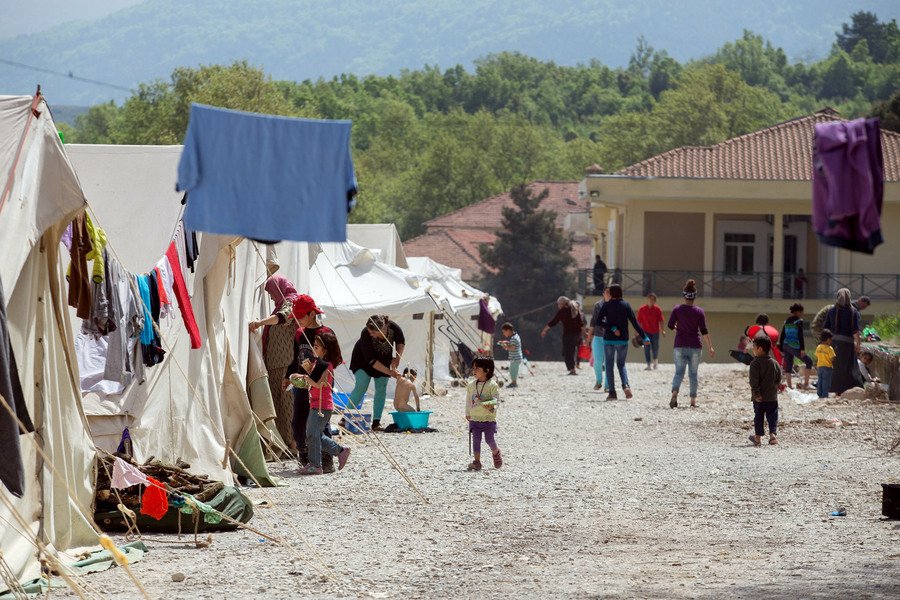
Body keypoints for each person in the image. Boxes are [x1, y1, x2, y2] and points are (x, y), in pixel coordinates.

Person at [283, 295, 337, 471]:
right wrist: (288, 375)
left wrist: (317, 376)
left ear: (312, 313)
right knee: (298, 420)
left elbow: (334, 360)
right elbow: (295, 358)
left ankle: (326, 458)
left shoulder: (326, 333)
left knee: (321, 421)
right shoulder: (300, 333)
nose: (298, 320)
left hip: (319, 385)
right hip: (301, 383)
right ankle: (305, 456)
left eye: (301, 316)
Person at [250, 275, 298, 452]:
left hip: (286, 363)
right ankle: (286, 443)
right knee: (278, 406)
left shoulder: (291, 301)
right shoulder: (281, 303)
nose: (271, 297)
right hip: (275, 364)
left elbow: (283, 317)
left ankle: (294, 443)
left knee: (288, 405)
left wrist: (259, 323)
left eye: (271, 293)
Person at [292, 332, 351, 475]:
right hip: (318, 404)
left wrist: (304, 376)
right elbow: (314, 381)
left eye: (317, 346)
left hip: (322, 406)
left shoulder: (325, 365)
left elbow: (318, 384)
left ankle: (315, 465)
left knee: (311, 434)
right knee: (315, 435)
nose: (313, 348)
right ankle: (340, 451)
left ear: (325, 349)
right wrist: (304, 375)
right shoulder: (319, 363)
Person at [347, 314, 405, 430]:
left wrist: (397, 358)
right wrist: (389, 372)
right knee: (361, 386)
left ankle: (376, 423)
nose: (371, 334)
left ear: (382, 329)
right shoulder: (365, 333)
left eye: (373, 332)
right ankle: (346, 418)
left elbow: (400, 342)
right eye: (369, 331)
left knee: (381, 389)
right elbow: (371, 360)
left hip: (384, 359)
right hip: (363, 360)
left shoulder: (394, 328)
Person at [593, 284, 648, 400]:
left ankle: (612, 393)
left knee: (609, 365)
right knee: (621, 364)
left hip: (608, 340)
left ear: (611, 294)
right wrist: (644, 337)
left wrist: (612, 328)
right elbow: (635, 323)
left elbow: (598, 322)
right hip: (623, 340)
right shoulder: (626, 305)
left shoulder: (606, 306)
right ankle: (625, 385)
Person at [668, 279, 715, 408]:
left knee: (679, 372)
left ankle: (675, 393)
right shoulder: (699, 312)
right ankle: (693, 401)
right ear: (694, 297)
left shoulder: (677, 309)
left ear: (684, 296)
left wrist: (678, 329)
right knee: (693, 374)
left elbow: (670, 325)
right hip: (695, 346)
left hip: (680, 345)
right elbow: (704, 331)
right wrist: (710, 346)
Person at [823, 288, 863, 395]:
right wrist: (858, 344)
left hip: (833, 343)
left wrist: (825, 343)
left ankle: (835, 390)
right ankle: (846, 390)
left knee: (835, 366)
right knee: (848, 367)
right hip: (847, 344)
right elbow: (855, 330)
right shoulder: (853, 311)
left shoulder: (831, 310)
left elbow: (826, 328)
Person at [465, 357, 502, 471]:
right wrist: (467, 412)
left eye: (477, 368)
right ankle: (477, 462)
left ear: (486, 370)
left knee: (489, 440)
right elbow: (468, 400)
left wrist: (488, 403)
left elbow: (496, 401)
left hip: (488, 419)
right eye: (473, 368)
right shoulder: (471, 385)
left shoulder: (492, 385)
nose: (474, 370)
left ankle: (495, 452)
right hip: (475, 418)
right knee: (476, 440)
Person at [747, 337, 782, 447]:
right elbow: (778, 378)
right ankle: (773, 436)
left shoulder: (755, 363)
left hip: (760, 398)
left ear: (760, 349)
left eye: (754, 347)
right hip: (772, 396)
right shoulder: (774, 363)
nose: (753, 349)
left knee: (758, 417)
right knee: (772, 416)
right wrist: (774, 388)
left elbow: (754, 381)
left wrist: (756, 394)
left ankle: (758, 438)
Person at [541, 296, 586, 376]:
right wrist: (584, 333)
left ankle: (572, 369)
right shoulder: (575, 309)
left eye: (558, 304)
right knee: (572, 351)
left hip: (568, 335)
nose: (558, 306)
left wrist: (544, 330)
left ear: (562, 304)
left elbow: (553, 322)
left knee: (567, 352)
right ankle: (574, 367)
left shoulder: (562, 311)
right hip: (577, 334)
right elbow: (581, 322)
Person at [778, 303, 813, 390]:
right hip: (794, 346)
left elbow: (782, 335)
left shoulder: (786, 321)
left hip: (785, 345)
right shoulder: (799, 321)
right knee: (809, 361)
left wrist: (781, 348)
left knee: (789, 364)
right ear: (798, 312)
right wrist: (802, 349)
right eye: (801, 312)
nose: (802, 314)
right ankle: (806, 384)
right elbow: (800, 335)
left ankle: (789, 386)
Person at [589, 289, 610, 391]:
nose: (608, 294)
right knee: (597, 361)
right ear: (603, 294)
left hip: (610, 338)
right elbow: (593, 321)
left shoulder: (615, 305)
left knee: (607, 362)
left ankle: (607, 385)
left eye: (610, 293)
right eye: (606, 292)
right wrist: (589, 335)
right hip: (598, 336)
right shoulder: (598, 305)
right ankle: (598, 381)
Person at [637, 292, 665, 371]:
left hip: (655, 332)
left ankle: (655, 361)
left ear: (655, 301)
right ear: (647, 299)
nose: (651, 301)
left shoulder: (657, 309)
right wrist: (637, 331)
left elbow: (661, 320)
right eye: (650, 299)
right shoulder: (642, 309)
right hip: (645, 332)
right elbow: (639, 321)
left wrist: (662, 330)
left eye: (653, 300)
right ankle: (648, 364)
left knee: (655, 347)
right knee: (646, 348)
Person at [498, 322, 523, 388]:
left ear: (508, 330)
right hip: (516, 357)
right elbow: (513, 344)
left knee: (513, 371)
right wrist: (506, 342)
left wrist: (505, 346)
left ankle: (514, 383)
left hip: (515, 358)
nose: (503, 334)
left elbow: (512, 348)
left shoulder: (513, 338)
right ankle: (513, 382)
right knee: (512, 370)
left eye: (504, 332)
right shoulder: (515, 336)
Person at [815, 329, 835, 399]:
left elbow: (817, 355)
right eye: (830, 340)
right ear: (828, 339)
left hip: (819, 366)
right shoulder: (830, 348)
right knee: (826, 382)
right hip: (828, 367)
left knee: (820, 380)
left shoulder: (818, 347)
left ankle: (819, 393)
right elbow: (832, 358)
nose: (831, 341)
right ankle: (824, 395)